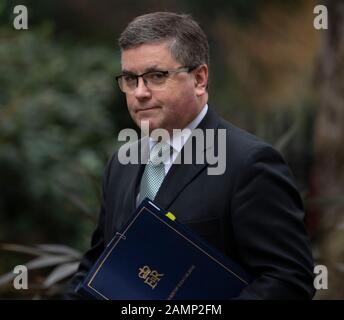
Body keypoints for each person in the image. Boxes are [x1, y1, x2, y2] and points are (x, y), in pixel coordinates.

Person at [65, 11, 315, 299]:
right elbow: (97, 267)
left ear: (199, 78)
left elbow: (288, 280)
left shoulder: (249, 164)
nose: (140, 92)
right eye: (130, 79)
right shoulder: (122, 162)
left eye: (156, 76)